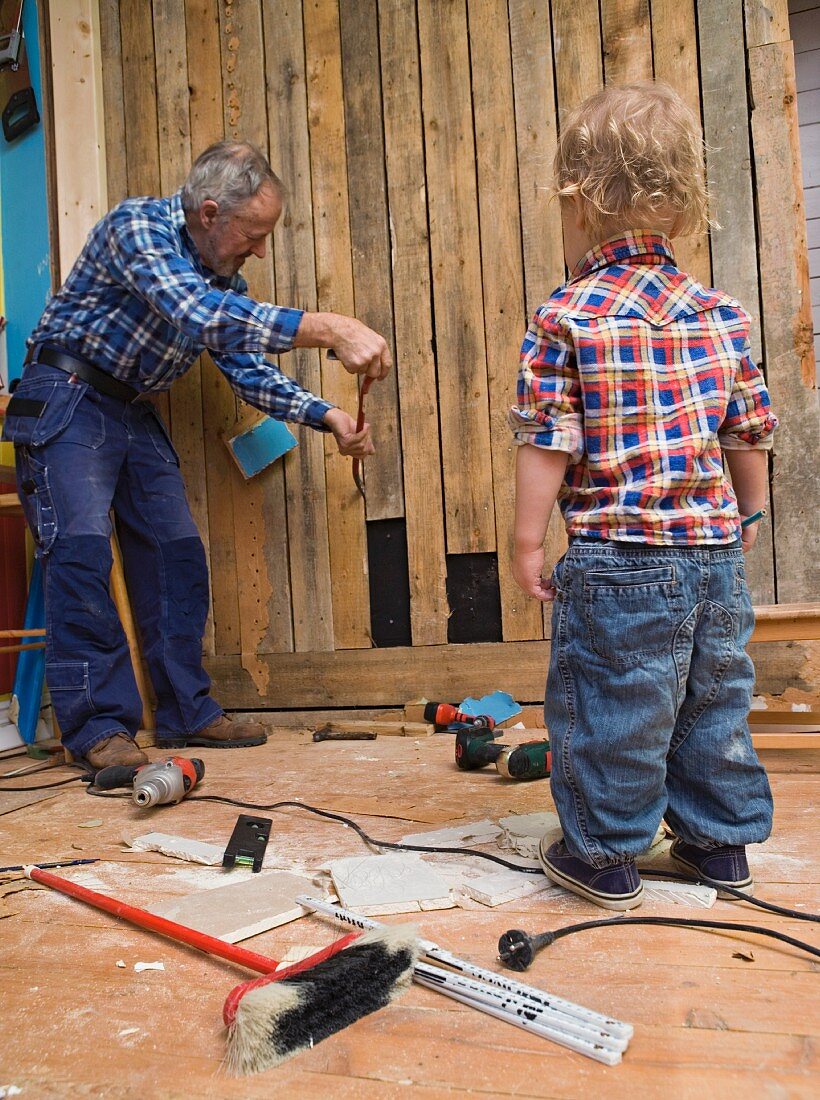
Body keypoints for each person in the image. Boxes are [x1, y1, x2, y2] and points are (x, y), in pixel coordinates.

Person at [2, 141, 391, 770]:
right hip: (68, 395)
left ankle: (185, 712)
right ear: (209, 212)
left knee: (175, 550)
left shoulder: (224, 280)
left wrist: (329, 415)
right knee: (79, 550)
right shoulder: (138, 228)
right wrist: (327, 327)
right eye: (255, 233)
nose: (261, 250)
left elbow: (243, 365)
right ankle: (98, 729)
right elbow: (199, 315)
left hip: (131, 407)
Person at [509, 83, 778, 910]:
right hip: (714, 556)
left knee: (613, 708)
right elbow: (748, 429)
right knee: (712, 704)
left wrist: (525, 541)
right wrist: (748, 515)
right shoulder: (721, 314)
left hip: (618, 555)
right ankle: (717, 845)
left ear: (579, 205)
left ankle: (606, 856)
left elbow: (547, 436)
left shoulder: (567, 315)